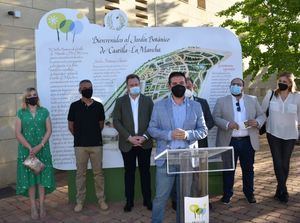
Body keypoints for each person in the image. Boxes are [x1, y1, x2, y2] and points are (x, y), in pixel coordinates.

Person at [148, 72, 208, 223]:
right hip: (166, 157)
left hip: (187, 159)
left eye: (181, 82)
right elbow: (152, 129)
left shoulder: (196, 106)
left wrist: (187, 134)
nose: (178, 86)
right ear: (169, 86)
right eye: (174, 84)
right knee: (160, 197)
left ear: (186, 84)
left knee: (184, 198)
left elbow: (204, 130)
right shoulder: (159, 106)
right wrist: (169, 134)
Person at [213, 77, 266, 204]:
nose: (235, 86)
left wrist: (257, 122)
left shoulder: (252, 100)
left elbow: (262, 115)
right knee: (228, 169)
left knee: (248, 169)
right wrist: (227, 124)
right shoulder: (221, 101)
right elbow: (215, 117)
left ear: (243, 87)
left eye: (238, 84)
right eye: (233, 84)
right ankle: (227, 194)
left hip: (248, 141)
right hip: (229, 141)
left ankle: (249, 193)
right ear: (230, 86)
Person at [170, 76, 215, 210]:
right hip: (180, 146)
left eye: (188, 87)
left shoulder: (202, 102)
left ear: (193, 87)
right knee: (178, 175)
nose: (186, 89)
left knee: (199, 175)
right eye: (185, 86)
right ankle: (177, 201)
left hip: (199, 145)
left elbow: (210, 122)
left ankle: (201, 200)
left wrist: (196, 131)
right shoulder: (172, 104)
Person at [113, 74, 153, 212]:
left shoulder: (148, 101)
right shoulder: (120, 101)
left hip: (144, 143)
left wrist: (145, 137)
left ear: (140, 84)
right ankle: (129, 201)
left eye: (136, 84)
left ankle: (147, 200)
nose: (134, 87)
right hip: (127, 144)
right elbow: (116, 121)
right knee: (129, 173)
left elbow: (153, 122)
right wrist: (129, 137)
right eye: (131, 85)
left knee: (145, 173)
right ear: (127, 87)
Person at [67, 80, 108, 212]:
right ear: (80, 90)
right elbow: (71, 126)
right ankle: (79, 201)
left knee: (98, 174)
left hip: (96, 145)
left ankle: (101, 200)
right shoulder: (74, 106)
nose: (87, 90)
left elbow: (101, 125)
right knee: (80, 174)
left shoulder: (99, 106)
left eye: (89, 88)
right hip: (80, 146)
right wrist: (80, 136)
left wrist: (92, 134)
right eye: (84, 88)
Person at [15, 87, 56, 220]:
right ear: (26, 98)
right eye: (30, 95)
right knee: (31, 180)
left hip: (42, 150)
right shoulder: (21, 113)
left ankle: (42, 205)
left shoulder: (44, 112)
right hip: (27, 151)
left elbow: (49, 130)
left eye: (35, 95)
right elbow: (17, 132)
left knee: (42, 179)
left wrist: (40, 145)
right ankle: (33, 206)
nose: (33, 97)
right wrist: (29, 148)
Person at [261, 72, 300, 203]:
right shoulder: (271, 94)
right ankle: (284, 190)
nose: (281, 83)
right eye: (280, 80)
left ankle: (280, 189)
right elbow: (262, 112)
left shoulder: (297, 97)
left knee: (285, 162)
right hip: (273, 133)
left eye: (285, 81)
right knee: (277, 162)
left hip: (290, 134)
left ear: (290, 83)